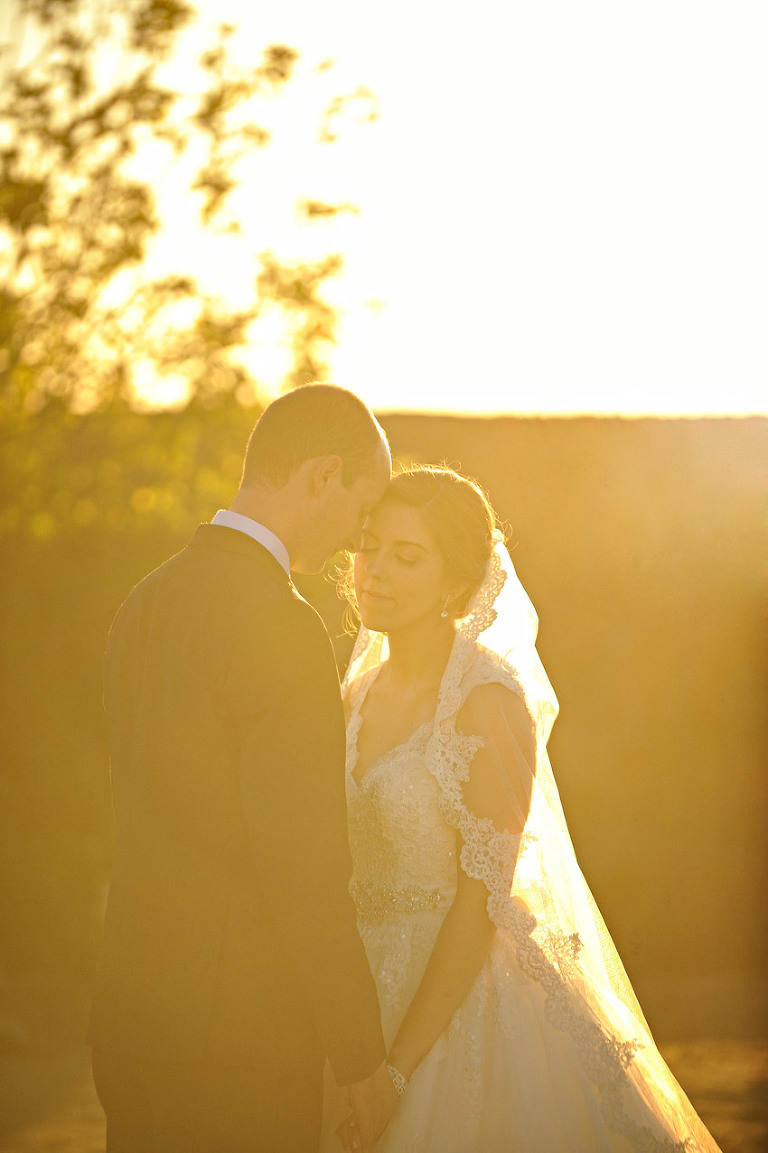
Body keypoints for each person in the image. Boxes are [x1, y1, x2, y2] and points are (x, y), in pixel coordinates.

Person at [322, 465, 722, 1153]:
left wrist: (395, 1069)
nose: (374, 569)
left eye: (406, 555)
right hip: (356, 996)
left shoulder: (488, 699)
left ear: (455, 583)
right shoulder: (356, 690)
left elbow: (483, 898)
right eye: (369, 544)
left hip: (462, 1000)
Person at [87, 384, 399, 1153]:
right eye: (363, 512)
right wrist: (361, 1058)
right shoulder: (281, 625)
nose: (360, 541)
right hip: (240, 1041)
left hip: (130, 1017)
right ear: (323, 476)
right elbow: (303, 864)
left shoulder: (144, 600)